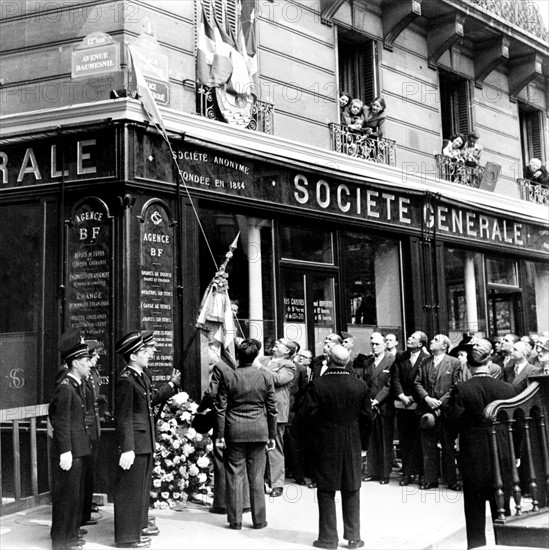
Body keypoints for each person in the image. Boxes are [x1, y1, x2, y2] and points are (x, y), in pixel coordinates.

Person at [302, 344, 373, 550]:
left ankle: (328, 538)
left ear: (328, 360)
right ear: (348, 361)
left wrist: (313, 439)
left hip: (325, 441)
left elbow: (308, 417)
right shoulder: (360, 386)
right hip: (352, 439)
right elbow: (367, 418)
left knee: (326, 489)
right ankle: (353, 537)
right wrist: (363, 444)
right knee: (351, 487)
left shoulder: (317, 385)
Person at [446, 340, 516, 549]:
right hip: (501, 449)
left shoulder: (462, 389)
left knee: (474, 507)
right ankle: (506, 544)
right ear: (489, 361)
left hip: (473, 452)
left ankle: (476, 546)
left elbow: (453, 423)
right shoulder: (507, 388)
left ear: (467, 365)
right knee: (502, 504)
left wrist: (451, 441)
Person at [113, 331, 179, 549]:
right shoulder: (126, 380)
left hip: (144, 441)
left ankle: (136, 529)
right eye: (143, 351)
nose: (148, 354)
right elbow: (124, 417)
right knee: (130, 491)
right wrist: (127, 448)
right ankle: (126, 537)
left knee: (139, 490)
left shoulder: (139, 376)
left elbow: (147, 404)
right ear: (133, 356)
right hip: (136, 444)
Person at [215, 339, 277, 530]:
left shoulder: (229, 376)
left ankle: (235, 520)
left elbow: (221, 409)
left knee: (234, 476)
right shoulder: (265, 377)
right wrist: (272, 435)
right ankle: (259, 520)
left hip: (234, 430)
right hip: (259, 431)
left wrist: (220, 435)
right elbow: (272, 409)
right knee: (257, 478)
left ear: (238, 356)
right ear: (256, 356)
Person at [49, 335, 92, 550]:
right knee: (67, 498)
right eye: (86, 360)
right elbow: (60, 421)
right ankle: (62, 542)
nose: (90, 364)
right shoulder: (65, 387)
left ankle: (71, 536)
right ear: (75, 362)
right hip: (70, 451)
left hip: (78, 448)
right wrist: (65, 450)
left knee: (75, 497)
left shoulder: (76, 384)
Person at [414, 334, 462, 491]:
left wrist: (441, 402)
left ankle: (450, 480)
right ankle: (430, 479)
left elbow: (456, 386)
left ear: (444, 346)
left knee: (448, 445)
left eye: (435, 340)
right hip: (427, 410)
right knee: (428, 444)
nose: (432, 342)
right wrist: (427, 398)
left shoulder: (454, 362)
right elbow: (417, 382)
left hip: (446, 411)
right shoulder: (425, 361)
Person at [259, 337, 297, 496]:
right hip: (258, 410)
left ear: (287, 351)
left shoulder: (289, 365)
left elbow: (278, 379)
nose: (276, 342)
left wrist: (259, 367)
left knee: (275, 447)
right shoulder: (263, 359)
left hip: (276, 412)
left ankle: (277, 483)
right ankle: (259, 482)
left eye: (280, 342)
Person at [391, 331, 430, 486]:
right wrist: (401, 395)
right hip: (402, 405)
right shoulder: (401, 356)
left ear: (420, 344)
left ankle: (421, 474)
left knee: (419, 441)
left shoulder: (426, 358)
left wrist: (413, 397)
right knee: (405, 441)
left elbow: (424, 381)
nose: (409, 339)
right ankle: (406, 474)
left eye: (413, 338)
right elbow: (395, 378)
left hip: (418, 405)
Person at [361, 332, 395, 484]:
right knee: (371, 440)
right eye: (372, 344)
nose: (374, 347)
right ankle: (373, 471)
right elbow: (364, 382)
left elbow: (390, 384)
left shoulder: (392, 360)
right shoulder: (367, 362)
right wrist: (367, 400)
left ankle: (384, 473)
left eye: (377, 344)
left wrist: (377, 400)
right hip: (370, 405)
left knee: (384, 441)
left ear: (384, 345)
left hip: (384, 405)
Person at [80, 340, 103, 528]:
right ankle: (82, 512)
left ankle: (86, 509)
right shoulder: (74, 375)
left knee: (90, 472)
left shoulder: (93, 373)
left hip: (94, 428)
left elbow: (93, 400)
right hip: (85, 429)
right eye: (93, 355)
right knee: (84, 474)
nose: (96, 358)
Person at [284, 347, 311, 485]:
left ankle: (298, 474)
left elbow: (304, 391)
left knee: (293, 444)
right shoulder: (273, 364)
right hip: (276, 410)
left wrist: (297, 408)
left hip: (292, 412)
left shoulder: (300, 369)